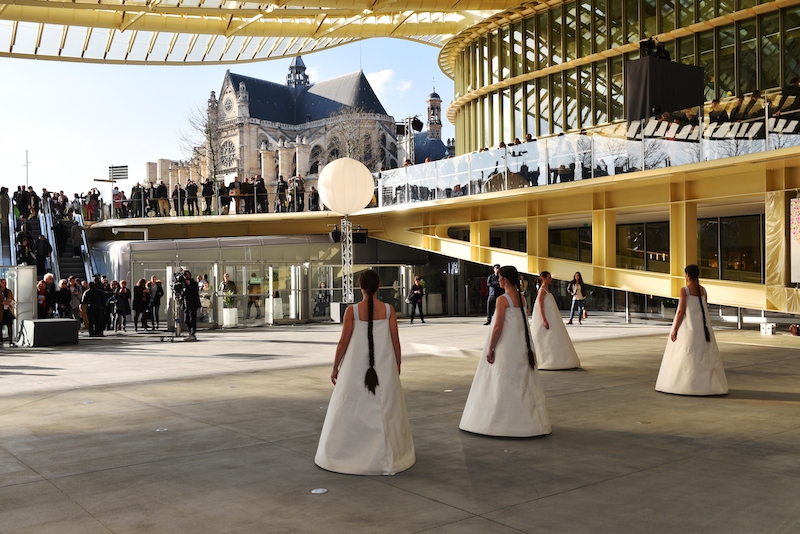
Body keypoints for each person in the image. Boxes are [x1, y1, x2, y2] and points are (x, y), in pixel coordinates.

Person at [315, 269, 415, 475]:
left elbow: (343, 342)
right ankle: (389, 455)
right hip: (384, 367)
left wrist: (335, 366)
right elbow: (395, 340)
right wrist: (397, 363)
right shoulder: (389, 310)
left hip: (355, 368)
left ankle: (350, 453)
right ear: (378, 286)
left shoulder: (352, 311)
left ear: (360, 287)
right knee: (386, 407)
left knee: (353, 407)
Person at [459, 265, 550, 437]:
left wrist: (490, 347)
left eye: (500, 277)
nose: (498, 280)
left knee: (502, 379)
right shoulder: (521, 298)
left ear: (505, 279)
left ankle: (502, 420)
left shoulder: (502, 299)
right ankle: (526, 420)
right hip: (521, 346)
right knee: (521, 380)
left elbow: (498, 326)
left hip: (506, 346)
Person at [655, 264, 728, 396]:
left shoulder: (684, 290)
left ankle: (685, 385)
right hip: (703, 328)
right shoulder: (703, 291)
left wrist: (675, 329)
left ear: (687, 275)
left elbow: (681, 311)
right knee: (703, 354)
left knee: (686, 353)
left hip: (688, 328)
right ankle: (706, 385)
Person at [532, 271, 581, 370]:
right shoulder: (541, 291)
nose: (551, 279)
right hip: (546, 317)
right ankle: (545, 359)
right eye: (549, 277)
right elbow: (539, 306)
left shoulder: (547, 290)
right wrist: (544, 319)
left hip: (552, 317)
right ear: (544, 278)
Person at [182, 270, 200, 337]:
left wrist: (189, 284)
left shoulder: (193, 283)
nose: (186, 276)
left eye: (187, 274)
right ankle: (190, 330)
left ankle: (193, 332)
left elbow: (195, 290)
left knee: (192, 318)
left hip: (193, 303)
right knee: (186, 320)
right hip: (185, 303)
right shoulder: (182, 283)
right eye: (185, 275)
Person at [0, 278, 15, 347]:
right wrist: (2, 303)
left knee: (10, 325)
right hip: (1, 310)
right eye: (3, 283)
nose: (4, 284)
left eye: (5, 283)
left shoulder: (8, 291)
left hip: (8, 310)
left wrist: (10, 302)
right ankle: (1, 341)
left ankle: (11, 341)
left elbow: (13, 301)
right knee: (0, 326)